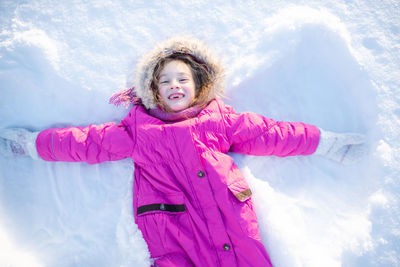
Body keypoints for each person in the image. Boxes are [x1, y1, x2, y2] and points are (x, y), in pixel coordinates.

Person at [0, 36, 366, 267]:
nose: (173, 85)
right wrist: (32, 144)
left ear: (199, 85)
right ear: (154, 91)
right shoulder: (138, 131)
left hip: (232, 222)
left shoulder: (220, 120)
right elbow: (85, 143)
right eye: (164, 81)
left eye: (182, 79)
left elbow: (272, 133)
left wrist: (327, 142)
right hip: (174, 229)